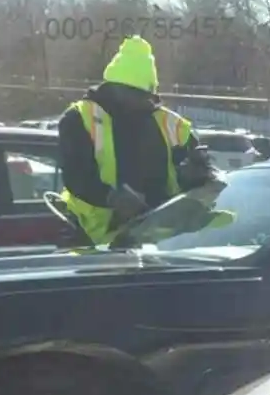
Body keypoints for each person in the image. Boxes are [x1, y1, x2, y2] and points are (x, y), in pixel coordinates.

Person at [56, 36, 214, 245]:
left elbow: (204, 176)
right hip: (91, 239)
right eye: (141, 96)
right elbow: (76, 177)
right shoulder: (79, 118)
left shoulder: (169, 123)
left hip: (159, 239)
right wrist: (113, 198)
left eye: (150, 97)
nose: (148, 103)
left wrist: (199, 174)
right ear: (116, 91)